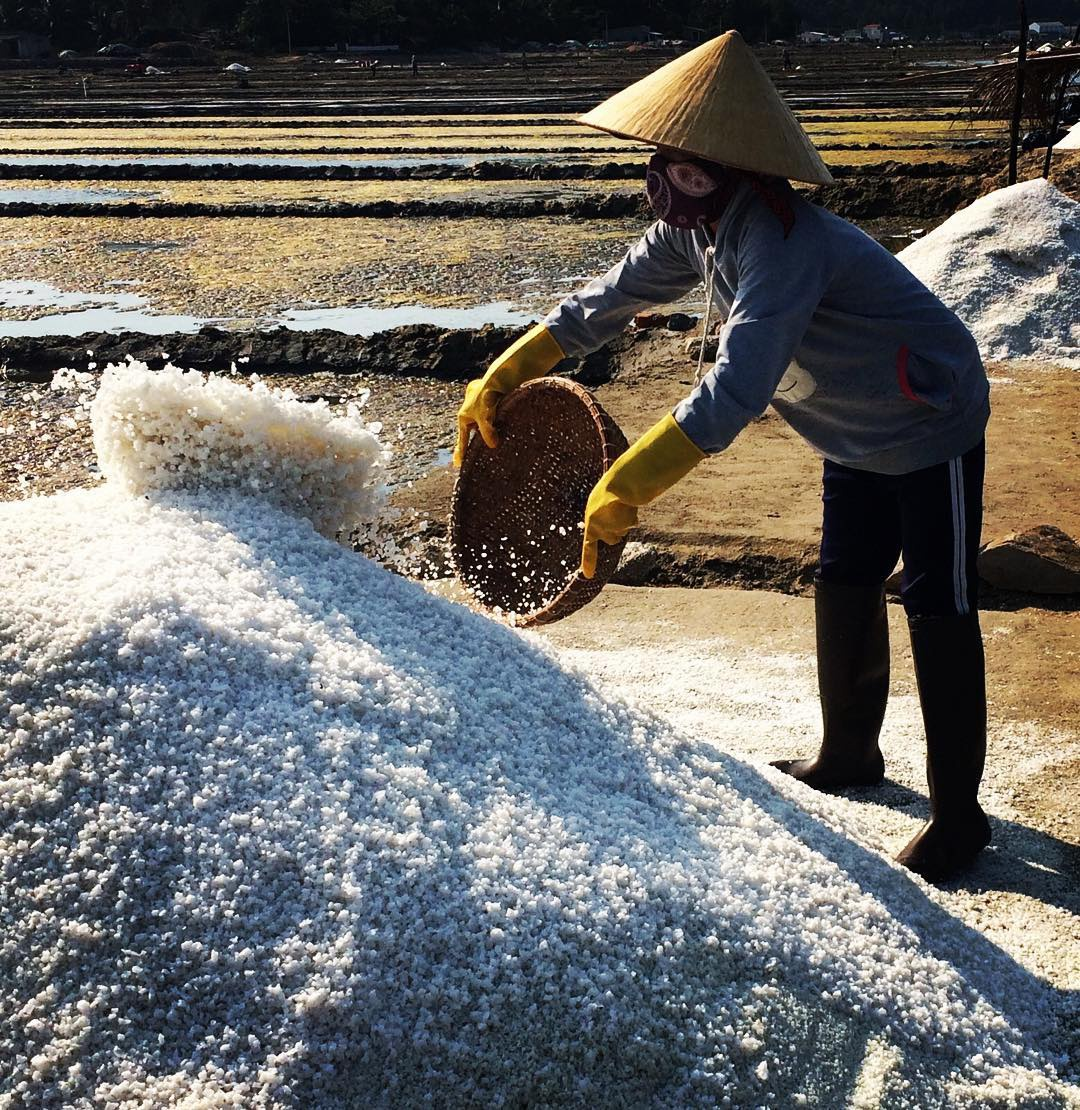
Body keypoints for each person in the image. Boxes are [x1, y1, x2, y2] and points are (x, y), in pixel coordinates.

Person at [452, 32, 991, 884]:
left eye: (692, 175)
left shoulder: (783, 243)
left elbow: (737, 388)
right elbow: (611, 297)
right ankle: (849, 751)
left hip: (927, 417)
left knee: (938, 602)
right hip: (845, 426)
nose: (669, 189)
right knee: (845, 575)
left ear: (740, 173)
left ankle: (960, 818)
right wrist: (511, 365)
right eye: (664, 169)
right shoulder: (697, 234)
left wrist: (627, 482)